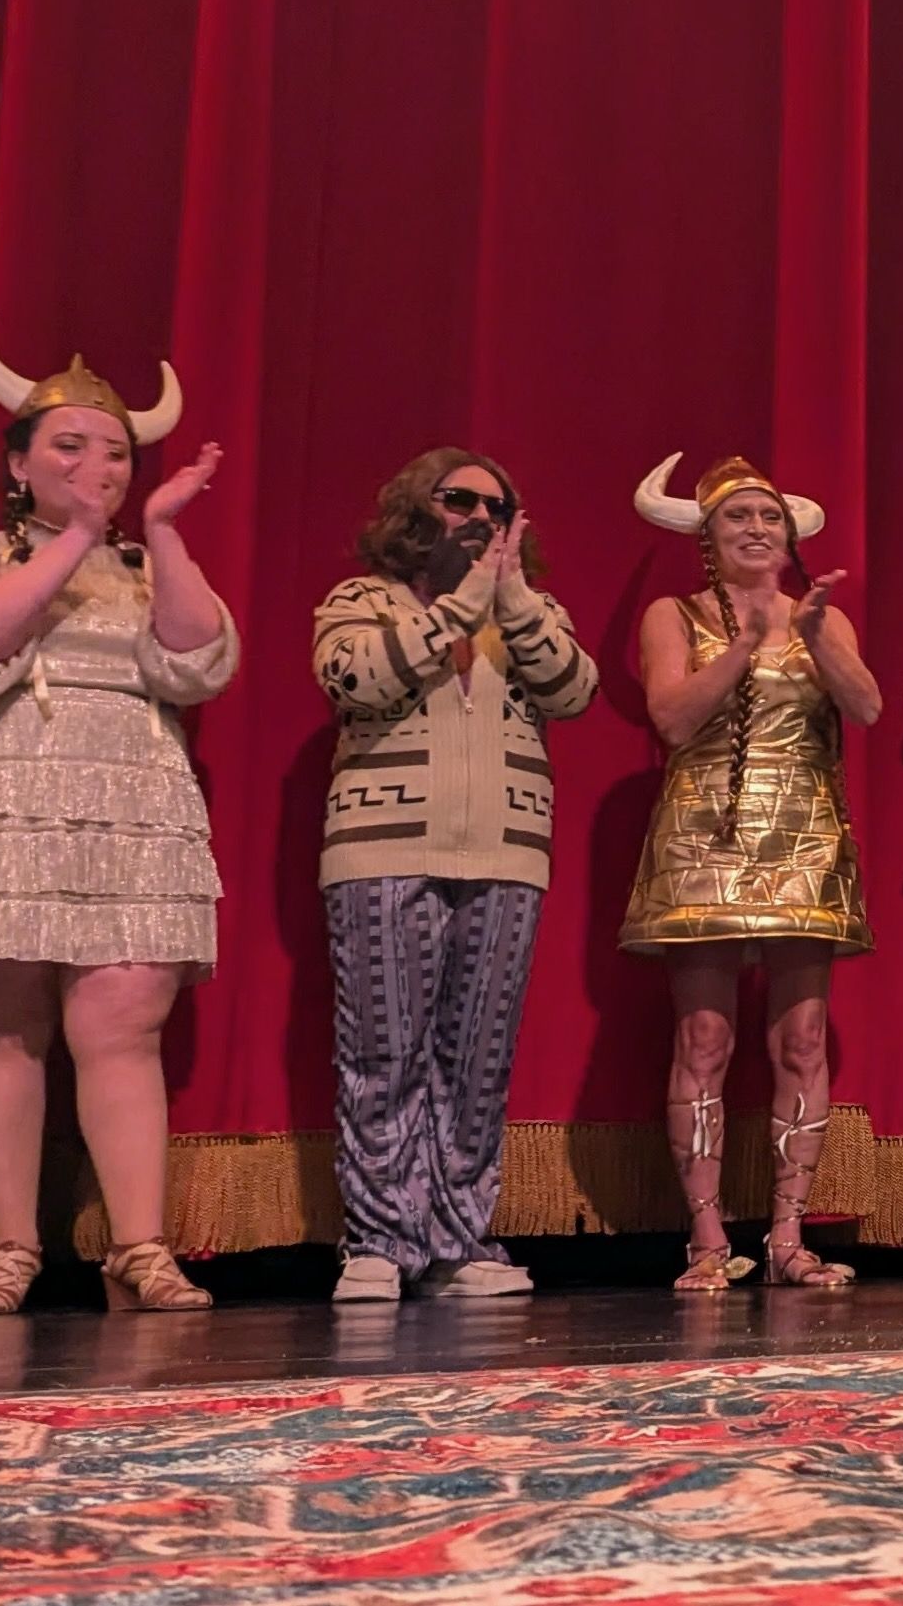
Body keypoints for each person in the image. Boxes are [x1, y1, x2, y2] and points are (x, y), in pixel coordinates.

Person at [0, 320, 233, 1313]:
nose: (97, 465)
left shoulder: (144, 563)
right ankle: (13, 1246)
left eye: (116, 452)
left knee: (122, 1028)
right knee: (0, 1028)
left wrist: (164, 532)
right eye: (69, 445)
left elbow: (199, 661)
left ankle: (139, 1246)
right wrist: (80, 537)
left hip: (129, 799)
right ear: (18, 463)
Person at [312, 449, 597, 1303]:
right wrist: (457, 609)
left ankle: (458, 1237)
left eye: (498, 506)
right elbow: (350, 679)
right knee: (383, 1049)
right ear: (416, 508)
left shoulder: (531, 612)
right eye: (459, 499)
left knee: (476, 1058)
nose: (479, 516)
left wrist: (506, 602)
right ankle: (379, 1238)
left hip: (508, 852)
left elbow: (576, 690)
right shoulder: (361, 600)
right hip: (382, 848)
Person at [624, 455, 884, 1289]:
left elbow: (868, 706)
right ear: (708, 534)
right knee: (704, 1036)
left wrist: (809, 637)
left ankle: (786, 1235)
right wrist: (741, 642)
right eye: (738, 516)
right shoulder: (674, 613)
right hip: (707, 832)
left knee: (801, 1038)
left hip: (803, 834)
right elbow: (670, 716)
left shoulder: (819, 619)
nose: (755, 529)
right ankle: (706, 1240)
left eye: (768, 517)